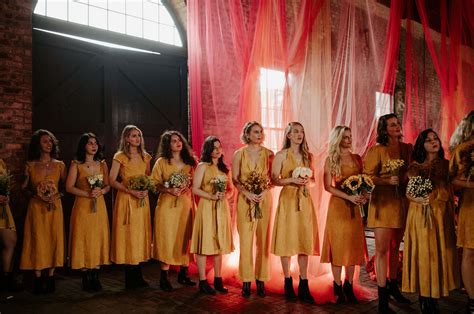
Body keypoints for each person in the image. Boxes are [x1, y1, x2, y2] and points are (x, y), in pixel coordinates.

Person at [402, 129, 459, 313]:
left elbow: (452, 191)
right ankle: (424, 297)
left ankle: (433, 296)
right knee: (424, 254)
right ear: (422, 145)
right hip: (420, 216)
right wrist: (417, 198)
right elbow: (410, 193)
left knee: (439, 254)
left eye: (435, 138)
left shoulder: (447, 165)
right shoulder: (415, 167)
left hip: (441, 216)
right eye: (428, 140)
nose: (433, 142)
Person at [363, 113, 412, 313]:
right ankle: (382, 295)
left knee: (395, 247)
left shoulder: (407, 149)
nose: (397, 127)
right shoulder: (376, 150)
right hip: (383, 203)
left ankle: (393, 286)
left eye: (398, 123)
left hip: (401, 202)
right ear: (384, 129)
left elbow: (413, 169)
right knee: (382, 250)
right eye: (392, 125)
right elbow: (367, 177)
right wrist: (385, 181)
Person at [271, 122, 319, 304]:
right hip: (288, 200)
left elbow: (313, 181)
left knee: (304, 240)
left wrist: (307, 182)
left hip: (305, 200)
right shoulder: (281, 155)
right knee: (287, 239)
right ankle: (287, 280)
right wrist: (292, 179)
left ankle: (304, 283)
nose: (300, 134)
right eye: (296, 131)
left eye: (302, 131)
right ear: (288, 135)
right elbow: (274, 180)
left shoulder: (308, 156)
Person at [321, 126, 366, 304]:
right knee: (338, 246)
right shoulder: (331, 159)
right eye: (345, 137)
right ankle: (337, 286)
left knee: (352, 246)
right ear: (338, 139)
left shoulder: (357, 158)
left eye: (350, 136)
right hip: (338, 207)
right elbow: (327, 186)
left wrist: (364, 195)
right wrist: (349, 196)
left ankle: (349, 284)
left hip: (354, 208)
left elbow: (363, 181)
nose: (349, 139)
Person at [20, 129, 66, 294]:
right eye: (45, 141)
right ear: (38, 145)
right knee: (37, 239)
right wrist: (36, 195)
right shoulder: (30, 165)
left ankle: (51, 276)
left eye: (50, 141)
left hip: (55, 207)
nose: (49, 144)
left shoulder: (60, 165)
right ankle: (38, 277)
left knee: (54, 237)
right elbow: (23, 188)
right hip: (36, 207)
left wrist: (56, 195)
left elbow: (65, 187)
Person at [232, 121, 273, 297]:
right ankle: (246, 280)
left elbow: (273, 178)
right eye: (256, 132)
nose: (260, 134)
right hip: (245, 200)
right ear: (247, 134)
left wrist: (264, 191)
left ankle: (261, 279)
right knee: (246, 241)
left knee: (263, 240)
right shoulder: (239, 154)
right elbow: (235, 179)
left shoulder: (269, 154)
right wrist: (247, 193)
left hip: (264, 199)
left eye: (261, 131)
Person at [151, 131, 197, 291]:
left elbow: (195, 183)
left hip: (185, 206)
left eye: (179, 140)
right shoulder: (161, 162)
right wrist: (168, 189)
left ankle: (183, 274)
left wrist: (187, 187)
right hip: (166, 207)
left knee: (184, 237)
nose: (178, 143)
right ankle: (164, 277)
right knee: (167, 238)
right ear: (167, 145)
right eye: (173, 141)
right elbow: (154, 183)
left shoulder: (190, 162)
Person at [109, 125, 152, 289]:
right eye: (133, 136)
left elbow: (148, 177)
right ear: (126, 138)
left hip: (141, 201)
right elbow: (112, 180)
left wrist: (145, 189)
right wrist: (129, 190)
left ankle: (138, 274)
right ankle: (129, 276)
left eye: (139, 136)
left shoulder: (145, 156)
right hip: (126, 199)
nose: (137, 139)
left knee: (140, 234)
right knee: (128, 235)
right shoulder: (119, 156)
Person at [66, 133, 111, 291]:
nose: (94, 146)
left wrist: (102, 192)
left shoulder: (102, 164)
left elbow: (108, 185)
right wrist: (87, 194)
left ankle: (96, 275)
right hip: (83, 206)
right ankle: (85, 276)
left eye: (95, 143)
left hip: (99, 206)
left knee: (97, 237)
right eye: (90, 143)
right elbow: (69, 187)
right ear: (83, 146)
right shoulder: (76, 164)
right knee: (83, 238)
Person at [190, 136, 234, 295]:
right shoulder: (202, 166)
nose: (218, 150)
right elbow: (195, 189)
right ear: (208, 149)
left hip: (221, 208)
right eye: (214, 148)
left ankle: (218, 279)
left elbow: (230, 190)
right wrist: (211, 196)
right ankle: (202, 281)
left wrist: (225, 195)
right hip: (207, 207)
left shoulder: (225, 168)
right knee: (204, 243)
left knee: (219, 244)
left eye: (219, 147)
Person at [449, 110, 474, 313]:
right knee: (469, 252)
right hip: (470, 208)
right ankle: (472, 299)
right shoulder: (463, 151)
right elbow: (451, 181)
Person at [0, 158, 18, 291]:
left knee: (10, 241)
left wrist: (6, 196)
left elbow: (5, 185)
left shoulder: (1, 162)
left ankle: (7, 279)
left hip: (2, 208)